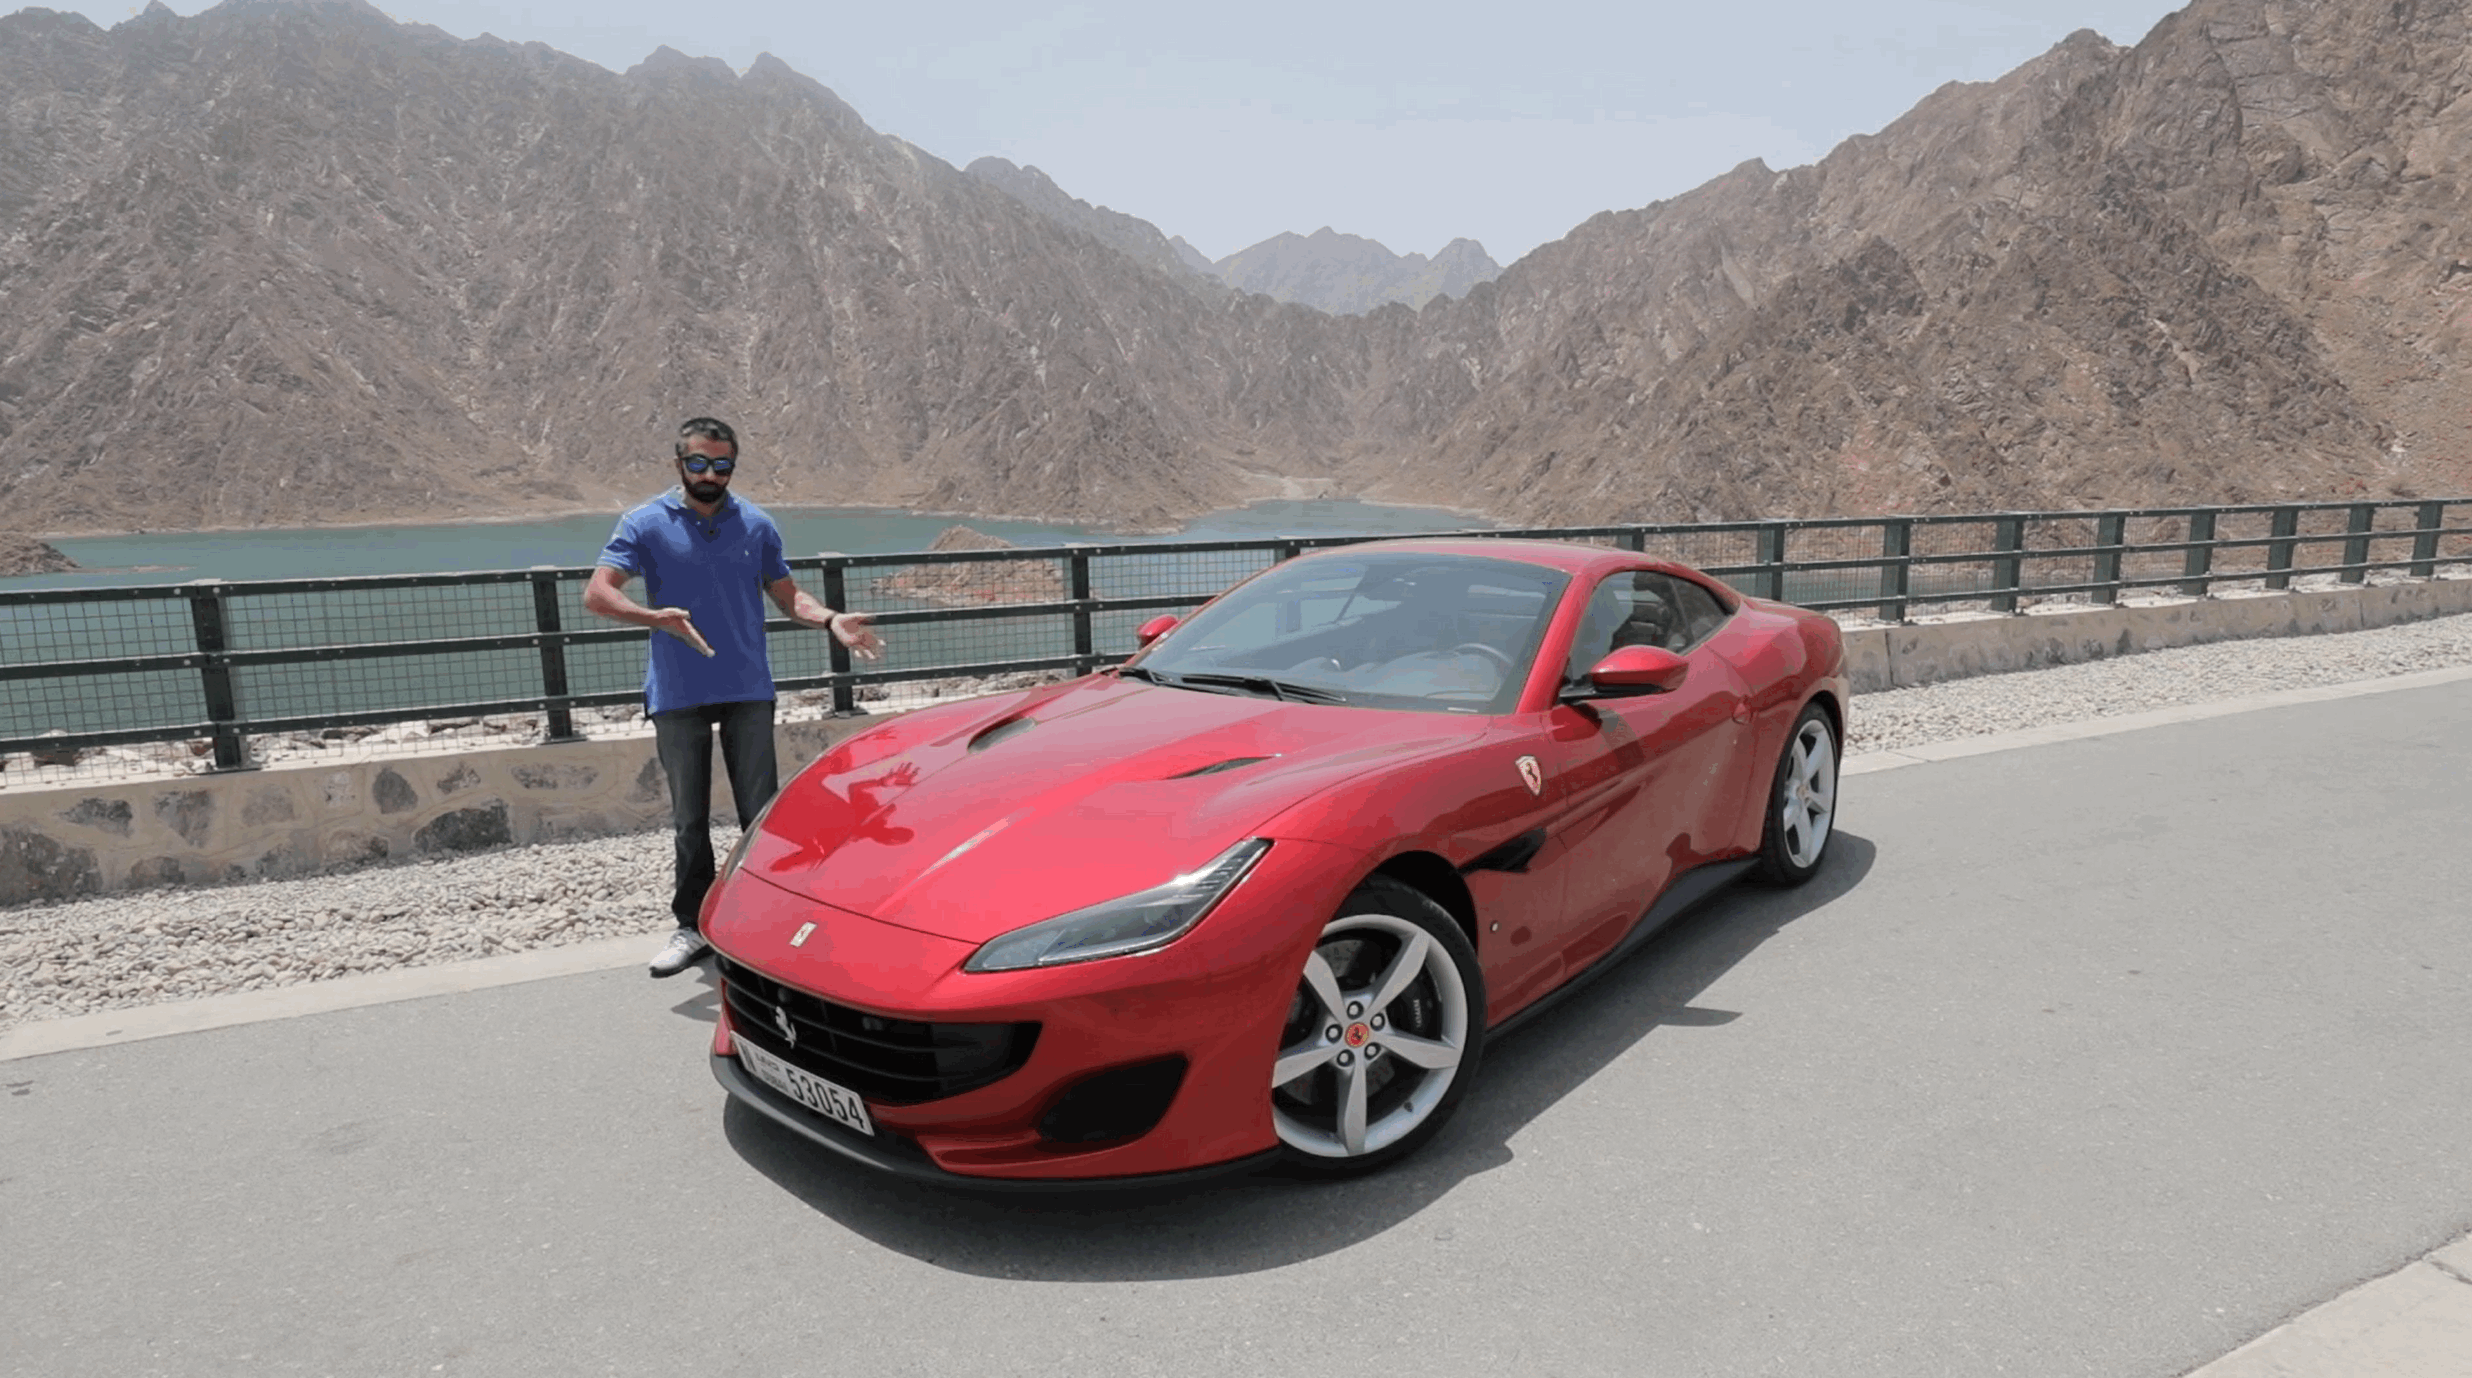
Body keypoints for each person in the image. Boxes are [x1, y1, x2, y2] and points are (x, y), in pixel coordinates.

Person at [583, 417, 886, 977]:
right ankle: (691, 927)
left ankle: (761, 922)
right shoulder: (645, 523)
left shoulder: (756, 525)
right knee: (690, 820)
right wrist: (653, 617)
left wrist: (830, 619)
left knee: (761, 814)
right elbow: (598, 593)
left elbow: (790, 598)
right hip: (678, 691)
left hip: (748, 688)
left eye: (721, 465)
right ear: (679, 463)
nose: (710, 475)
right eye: (698, 463)